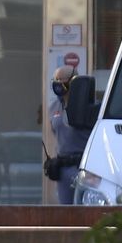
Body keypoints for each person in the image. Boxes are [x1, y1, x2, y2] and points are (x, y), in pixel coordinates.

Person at [48, 66, 90, 204]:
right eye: (56, 80)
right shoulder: (53, 107)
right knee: (65, 211)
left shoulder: (89, 106)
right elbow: (56, 134)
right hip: (63, 169)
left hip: (84, 168)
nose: (59, 84)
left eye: (62, 80)